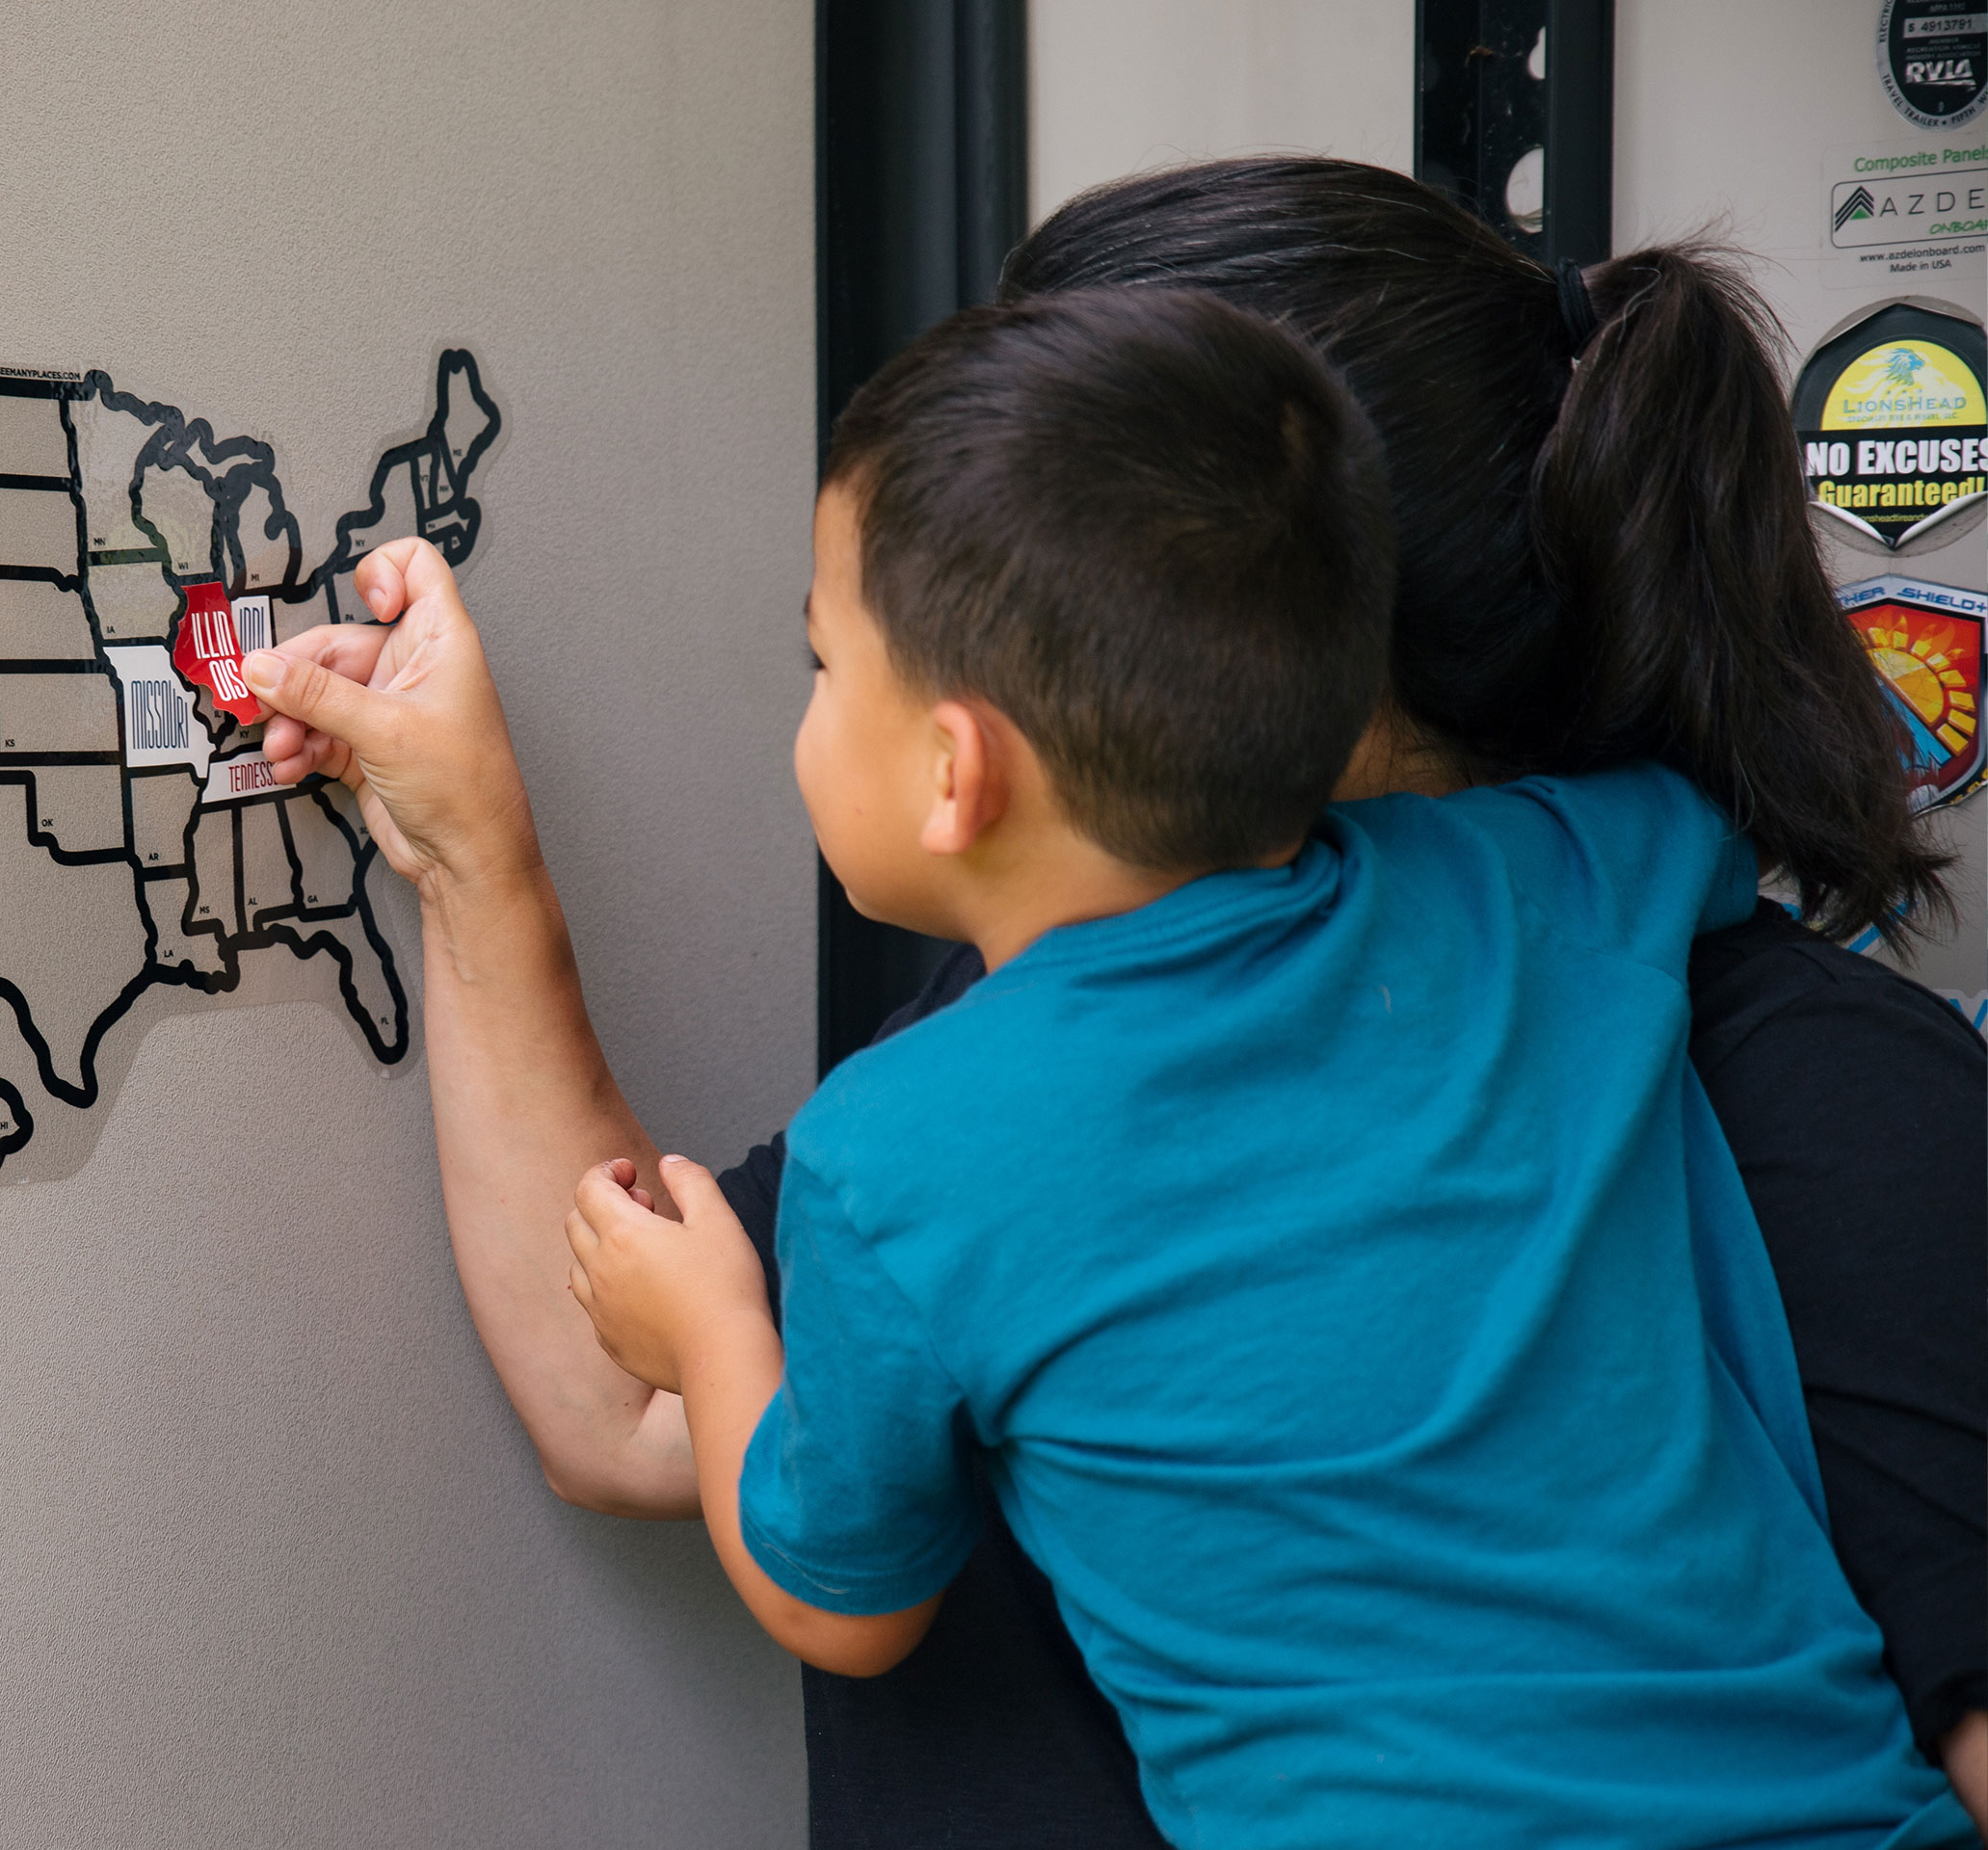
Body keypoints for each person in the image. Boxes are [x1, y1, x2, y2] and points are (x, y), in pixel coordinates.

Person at [240, 157, 1986, 1844]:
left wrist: (706, 1323)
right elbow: (626, 1408)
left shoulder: (1840, 1116)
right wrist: (472, 851)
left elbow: (786, 1515)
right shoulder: (1352, 931)